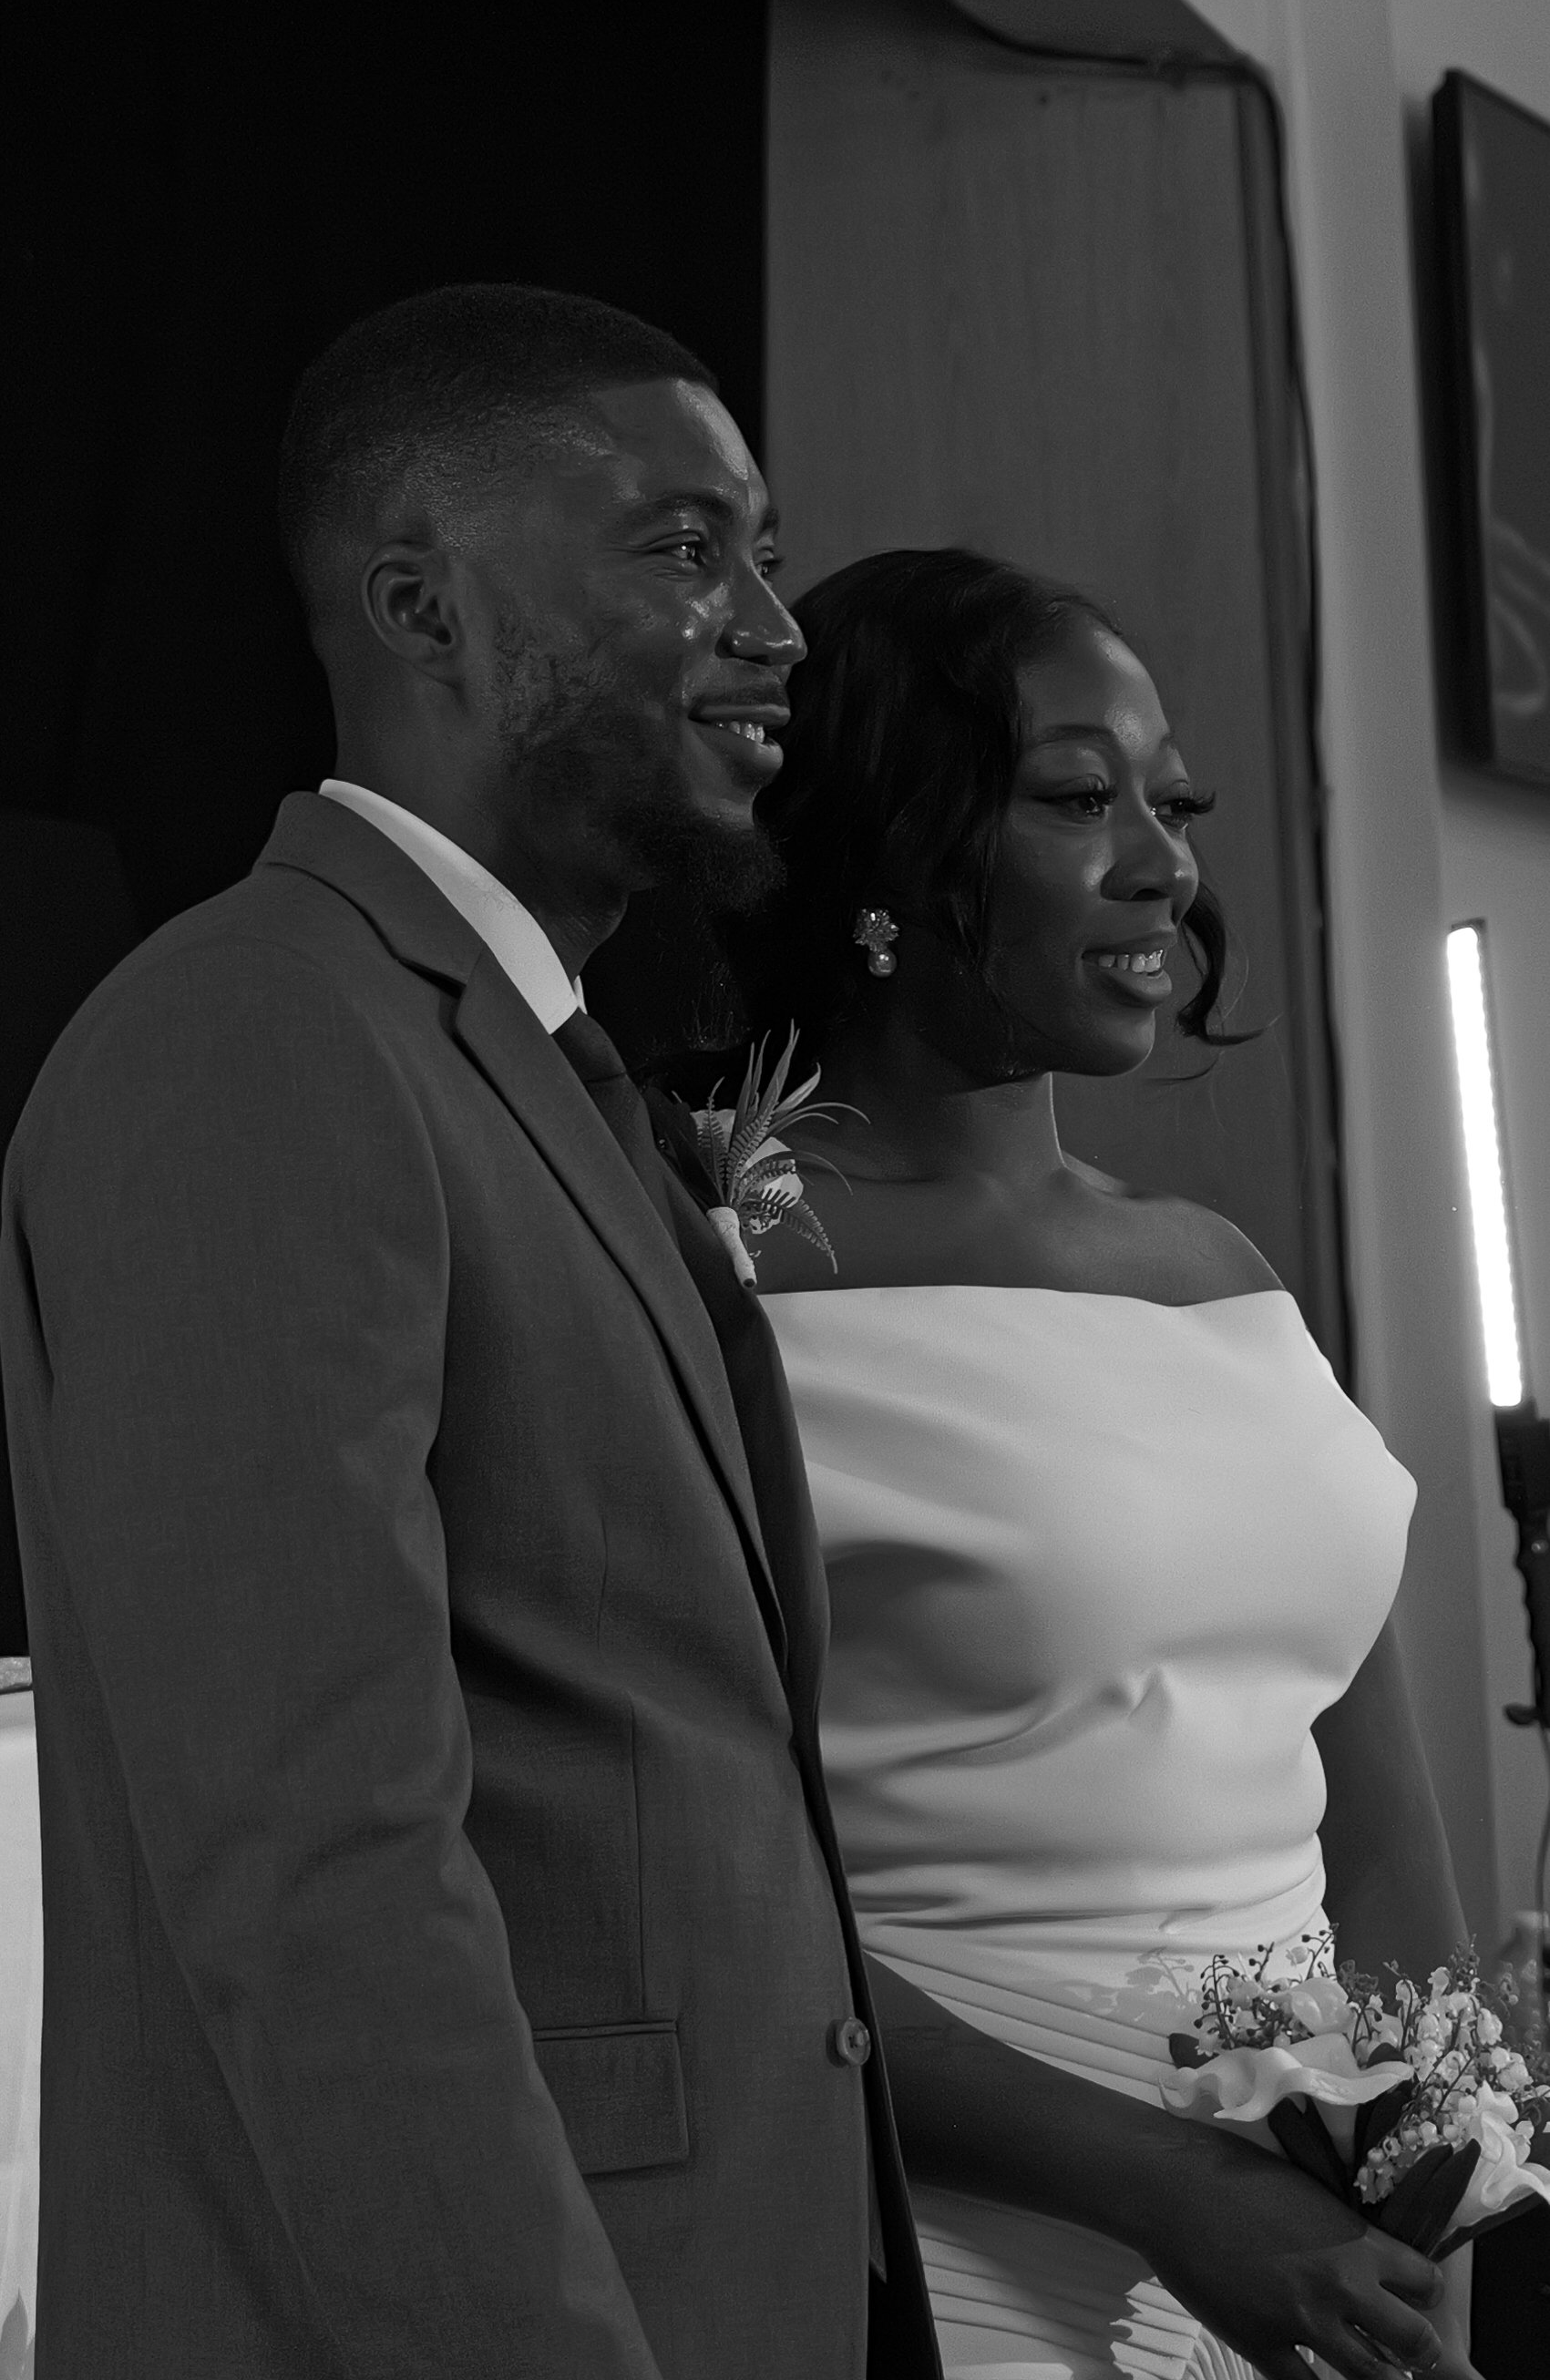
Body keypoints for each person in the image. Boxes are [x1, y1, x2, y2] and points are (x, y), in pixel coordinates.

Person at [0, 288, 940, 2380]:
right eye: (685, 550)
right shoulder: (253, 1040)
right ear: (423, 608)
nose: (777, 625)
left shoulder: (536, 1062)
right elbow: (317, 1877)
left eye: (760, 547)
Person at [725, 548, 1475, 2380]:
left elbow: (1366, 1824)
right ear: (889, 855)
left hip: (1315, 2231)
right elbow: (705, 1895)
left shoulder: (1216, 1273)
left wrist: (1425, 2182)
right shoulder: (722, 1277)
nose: (1163, 862)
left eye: (1173, 801)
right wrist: (1167, 2195)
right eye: (1077, 799)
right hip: (956, 2246)